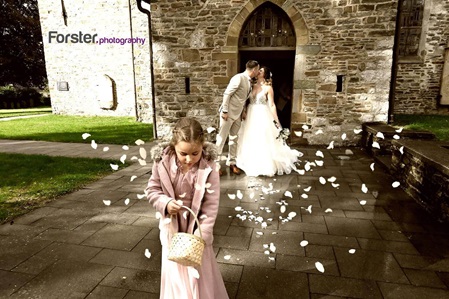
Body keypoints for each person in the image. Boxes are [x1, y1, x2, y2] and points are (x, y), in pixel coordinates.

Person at [146, 117, 229, 299]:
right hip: (172, 229)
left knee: (199, 272)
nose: (189, 159)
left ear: (202, 146)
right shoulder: (162, 163)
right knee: (175, 272)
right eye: (183, 153)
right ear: (174, 145)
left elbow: (211, 204)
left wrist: (203, 234)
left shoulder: (209, 168)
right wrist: (165, 203)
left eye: (195, 153)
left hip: (197, 230)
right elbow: (152, 189)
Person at [236, 66, 302, 177]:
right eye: (258, 70)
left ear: (264, 74)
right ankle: (250, 160)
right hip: (251, 114)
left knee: (262, 137)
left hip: (262, 114)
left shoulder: (268, 88)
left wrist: (276, 121)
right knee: (250, 136)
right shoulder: (251, 85)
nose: (258, 71)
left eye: (260, 70)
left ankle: (263, 163)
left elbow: (271, 105)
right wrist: (244, 111)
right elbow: (245, 101)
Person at [216, 60, 260, 175]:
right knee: (221, 139)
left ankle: (232, 162)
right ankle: (216, 164)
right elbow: (227, 94)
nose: (258, 72)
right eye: (258, 69)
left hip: (238, 114)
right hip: (228, 114)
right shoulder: (238, 78)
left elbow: (243, 99)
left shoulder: (249, 81)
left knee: (234, 138)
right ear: (254, 69)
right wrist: (225, 111)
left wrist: (243, 111)